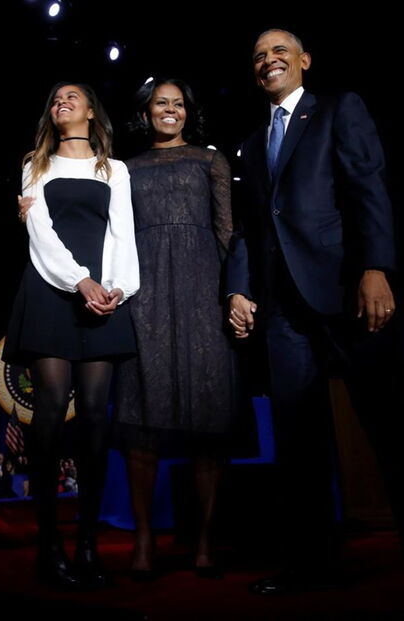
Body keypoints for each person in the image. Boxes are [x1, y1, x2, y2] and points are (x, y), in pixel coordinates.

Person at [226, 29, 404, 602]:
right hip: (282, 313)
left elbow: (367, 187)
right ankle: (311, 566)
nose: (268, 61)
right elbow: (250, 231)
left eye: (279, 51)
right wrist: (238, 290)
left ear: (304, 61)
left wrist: (376, 267)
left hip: (347, 296)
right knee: (298, 447)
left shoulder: (338, 110)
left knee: (391, 435)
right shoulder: (252, 146)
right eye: (258, 56)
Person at [4, 82, 139, 588]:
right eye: (55, 98)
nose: (61, 101)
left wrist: (117, 288)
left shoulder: (114, 168)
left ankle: (88, 544)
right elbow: (38, 231)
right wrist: (79, 279)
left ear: (90, 111)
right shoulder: (35, 164)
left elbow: (123, 232)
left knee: (97, 423)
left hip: (104, 297)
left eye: (72, 96)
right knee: (51, 410)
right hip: (51, 291)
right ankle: (48, 544)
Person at [116, 77, 238, 579]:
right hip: (143, 298)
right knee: (140, 419)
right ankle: (144, 541)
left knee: (209, 422)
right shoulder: (124, 169)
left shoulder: (211, 160)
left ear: (188, 113)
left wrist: (237, 292)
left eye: (178, 104)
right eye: (161, 104)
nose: (170, 111)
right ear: (145, 113)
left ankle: (205, 541)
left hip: (204, 296)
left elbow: (228, 231)